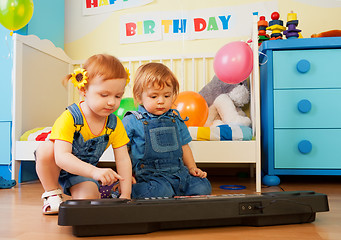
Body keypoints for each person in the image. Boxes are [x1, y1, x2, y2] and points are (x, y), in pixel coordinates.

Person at [35, 54, 132, 214]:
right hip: (56, 166)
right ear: (83, 90)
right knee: (46, 149)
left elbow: (123, 159)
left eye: (118, 96)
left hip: (82, 173)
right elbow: (61, 157)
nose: (111, 102)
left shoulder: (114, 124)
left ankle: (99, 190)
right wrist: (95, 172)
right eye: (104, 95)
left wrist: (126, 194)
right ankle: (52, 194)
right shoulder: (70, 117)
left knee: (88, 203)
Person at [122, 62, 211, 199]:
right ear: (139, 97)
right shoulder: (133, 120)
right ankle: (134, 190)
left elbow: (184, 146)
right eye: (154, 96)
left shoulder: (175, 118)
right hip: (151, 177)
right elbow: (122, 153)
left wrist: (193, 167)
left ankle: (177, 192)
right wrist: (126, 178)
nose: (161, 101)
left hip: (179, 173)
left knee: (203, 186)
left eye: (167, 96)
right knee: (161, 191)